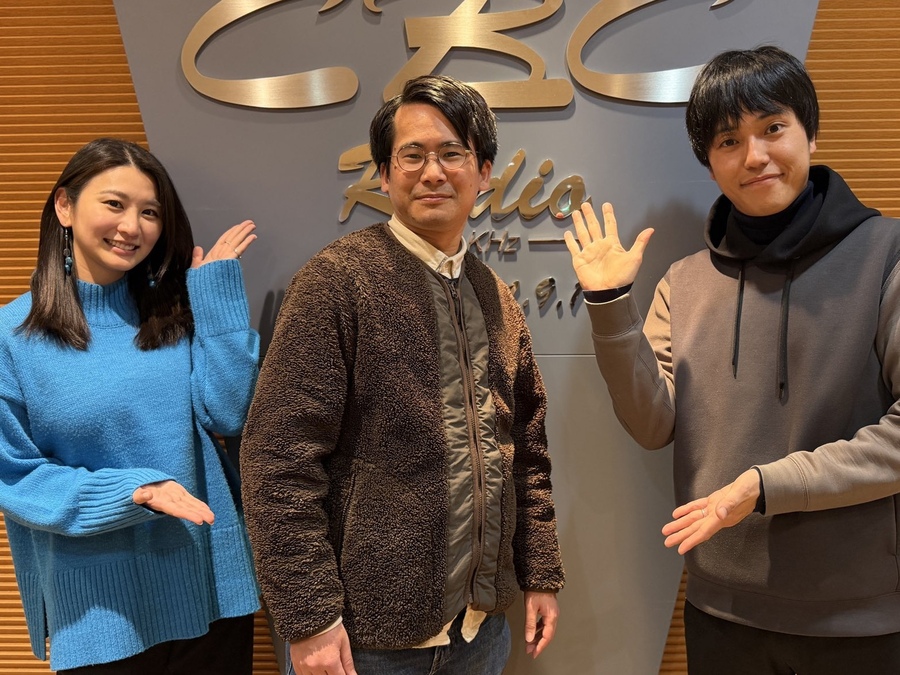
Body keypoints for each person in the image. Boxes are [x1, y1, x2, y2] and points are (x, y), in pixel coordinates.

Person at [565, 45, 900, 674]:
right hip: (721, 613)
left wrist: (767, 485)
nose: (754, 156)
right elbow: (652, 424)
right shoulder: (685, 281)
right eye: (728, 141)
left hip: (859, 619)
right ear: (710, 162)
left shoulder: (888, 256)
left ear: (810, 132)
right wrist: (609, 305)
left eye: (773, 128)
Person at [240, 74, 565, 675]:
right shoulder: (337, 281)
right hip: (363, 641)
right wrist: (308, 617)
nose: (432, 172)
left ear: (484, 171)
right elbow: (277, 459)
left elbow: (527, 453)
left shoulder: (496, 297)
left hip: (480, 632)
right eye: (412, 155)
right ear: (385, 175)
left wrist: (539, 572)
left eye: (452, 153)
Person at [0, 138, 261, 673]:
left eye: (150, 212)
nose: (132, 227)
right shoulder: (12, 337)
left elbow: (229, 413)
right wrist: (135, 491)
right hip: (100, 612)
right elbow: (15, 477)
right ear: (65, 206)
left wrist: (215, 297)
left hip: (211, 588)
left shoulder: (175, 315)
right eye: (115, 204)